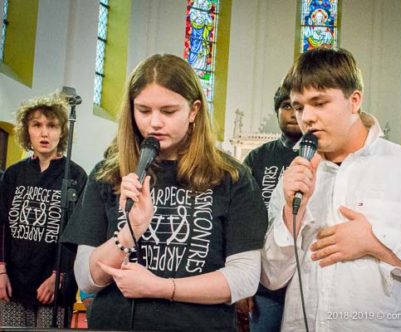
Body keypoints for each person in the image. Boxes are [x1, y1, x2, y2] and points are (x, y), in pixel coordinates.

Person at [260, 47, 401, 331]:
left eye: (319, 103)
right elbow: (272, 276)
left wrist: (375, 242)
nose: (306, 117)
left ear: (354, 101)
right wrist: (290, 212)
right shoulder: (295, 176)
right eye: (298, 107)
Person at [61, 54, 268, 331]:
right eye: (144, 111)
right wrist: (129, 232)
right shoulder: (108, 173)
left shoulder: (232, 177)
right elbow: (87, 279)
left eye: (168, 111)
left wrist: (161, 287)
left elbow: (244, 278)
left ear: (194, 110)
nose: (154, 123)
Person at [0, 93, 87, 328]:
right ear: (26, 130)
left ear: (62, 132)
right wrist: (1, 272)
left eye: (52, 125)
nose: (44, 133)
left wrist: (58, 276)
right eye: (36, 125)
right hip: (13, 283)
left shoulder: (75, 176)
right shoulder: (13, 174)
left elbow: (76, 234)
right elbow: (2, 226)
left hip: (54, 286)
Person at [236, 81, 302, 332]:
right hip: (264, 279)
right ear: (277, 111)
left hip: (304, 276)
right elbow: (243, 221)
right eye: (287, 106)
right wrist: (244, 282)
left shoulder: (320, 155)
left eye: (299, 107)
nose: (294, 113)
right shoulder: (257, 157)